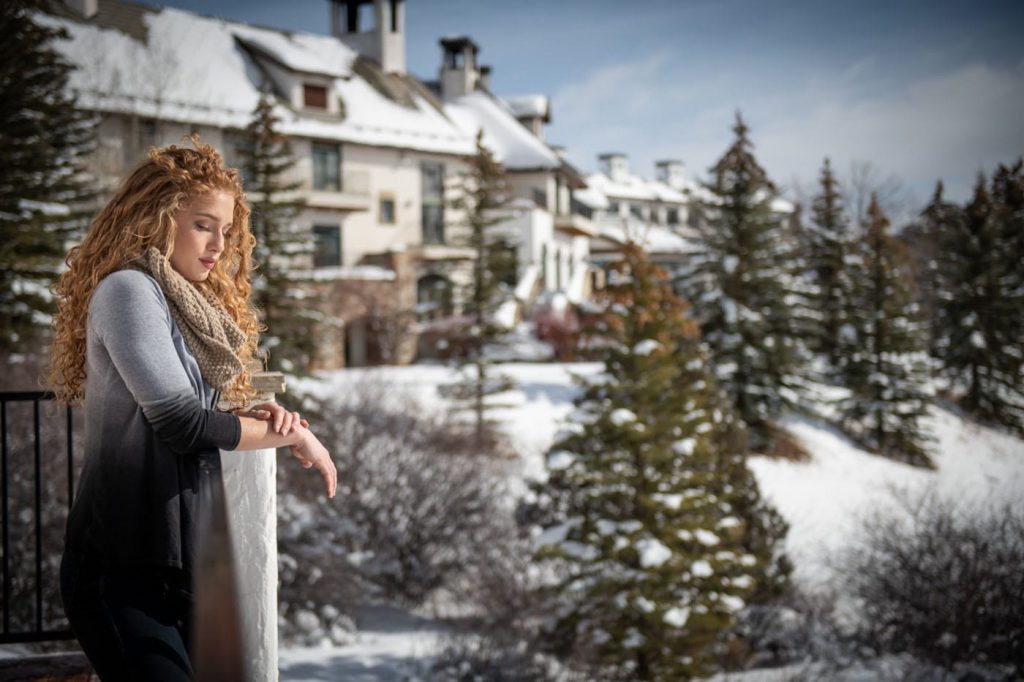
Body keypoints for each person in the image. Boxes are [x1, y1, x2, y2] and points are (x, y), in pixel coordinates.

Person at [49, 138, 337, 681]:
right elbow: (182, 422)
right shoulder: (129, 290)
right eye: (204, 224)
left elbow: (204, 403)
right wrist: (294, 437)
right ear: (158, 218)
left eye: (226, 231)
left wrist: (259, 411)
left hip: (183, 566)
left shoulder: (186, 304)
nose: (218, 245)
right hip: (121, 569)